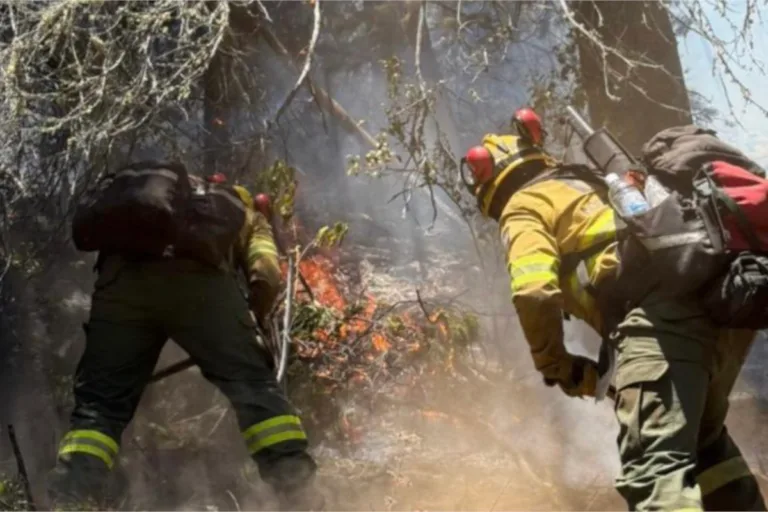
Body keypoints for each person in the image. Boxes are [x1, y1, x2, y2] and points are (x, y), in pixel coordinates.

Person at [460, 109, 766, 511]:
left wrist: (555, 363)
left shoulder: (524, 205)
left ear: (487, 181)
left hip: (660, 322)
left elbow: (533, 291)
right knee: (705, 449)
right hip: (723, 306)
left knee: (654, 470)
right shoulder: (591, 183)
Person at [49, 164, 321, 510]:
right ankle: (299, 493)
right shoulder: (245, 208)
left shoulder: (154, 205)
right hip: (201, 288)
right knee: (253, 386)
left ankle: (71, 497)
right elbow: (265, 271)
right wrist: (252, 316)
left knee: (99, 407)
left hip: (121, 289)